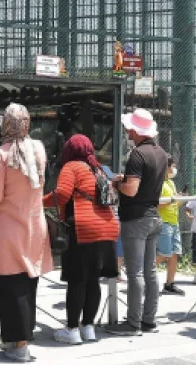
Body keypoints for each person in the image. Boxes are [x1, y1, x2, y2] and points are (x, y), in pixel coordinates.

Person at [0, 104, 53, 363]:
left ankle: (18, 344)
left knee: (9, 286)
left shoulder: (0, 155)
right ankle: (17, 339)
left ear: (7, 125)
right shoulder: (39, 149)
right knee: (28, 283)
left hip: (8, 227)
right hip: (34, 224)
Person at [43, 135, 120, 345]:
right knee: (93, 280)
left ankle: (72, 329)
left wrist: (39, 201)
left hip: (83, 228)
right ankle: (88, 327)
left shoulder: (72, 167)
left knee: (77, 280)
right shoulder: (99, 168)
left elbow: (62, 194)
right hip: (106, 228)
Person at [106, 108, 169, 337]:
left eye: (129, 128)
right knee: (150, 271)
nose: (127, 131)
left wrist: (117, 185)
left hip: (136, 218)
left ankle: (133, 323)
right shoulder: (161, 153)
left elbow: (131, 190)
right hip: (154, 215)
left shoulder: (136, 154)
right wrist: (127, 181)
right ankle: (149, 320)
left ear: (135, 130)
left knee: (135, 273)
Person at [156, 163, 185, 296]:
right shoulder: (158, 183)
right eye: (172, 166)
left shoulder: (171, 183)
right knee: (164, 254)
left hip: (174, 222)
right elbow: (157, 204)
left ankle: (169, 284)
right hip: (164, 222)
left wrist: (181, 198)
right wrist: (172, 200)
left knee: (174, 254)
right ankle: (140, 274)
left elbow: (174, 203)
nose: (174, 169)